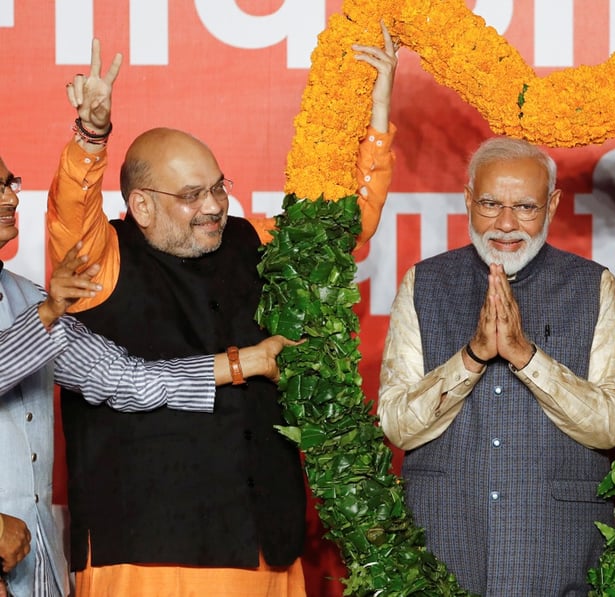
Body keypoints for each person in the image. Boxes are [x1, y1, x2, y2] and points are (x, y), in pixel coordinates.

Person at [45, 30, 396, 596]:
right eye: (190, 196)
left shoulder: (252, 238)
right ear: (141, 205)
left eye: (217, 188)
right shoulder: (98, 261)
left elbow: (338, 232)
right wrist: (90, 137)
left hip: (267, 551)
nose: (211, 206)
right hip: (148, 557)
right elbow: (70, 210)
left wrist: (377, 120)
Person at [0, 158, 295, 596]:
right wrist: (45, 315)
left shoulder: (29, 297)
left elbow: (126, 379)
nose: (11, 196)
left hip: (33, 567)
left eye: (10, 182)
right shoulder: (44, 307)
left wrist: (246, 362)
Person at [377, 136, 615, 595]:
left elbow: (612, 426)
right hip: (443, 538)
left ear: (552, 204)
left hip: (556, 544)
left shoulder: (591, 286)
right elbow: (397, 425)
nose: (507, 224)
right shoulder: (425, 282)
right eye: (491, 204)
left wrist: (525, 357)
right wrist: (472, 356)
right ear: (468, 199)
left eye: (526, 207)